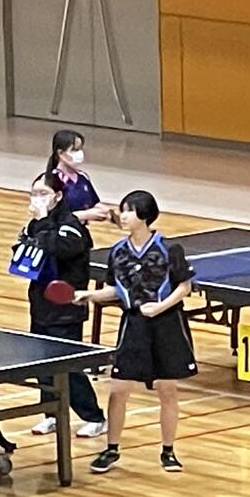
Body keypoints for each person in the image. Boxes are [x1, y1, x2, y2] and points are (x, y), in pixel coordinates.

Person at [74, 190, 197, 473]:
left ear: (144, 215)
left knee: (167, 390)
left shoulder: (169, 249)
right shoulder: (118, 251)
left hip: (167, 324)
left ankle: (168, 451)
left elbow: (184, 287)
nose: (123, 216)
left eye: (129, 210)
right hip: (134, 324)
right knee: (118, 390)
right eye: (123, 210)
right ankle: (111, 449)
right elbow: (116, 289)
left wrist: (159, 307)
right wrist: (89, 295)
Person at [16, 171, 107, 438]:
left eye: (43, 193)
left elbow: (57, 247)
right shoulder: (35, 225)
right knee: (43, 365)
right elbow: (25, 249)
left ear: (57, 196)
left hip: (66, 307)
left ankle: (94, 417)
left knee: (68, 367)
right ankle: (51, 413)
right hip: (40, 304)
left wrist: (42, 221)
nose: (37, 198)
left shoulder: (71, 226)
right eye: (34, 193)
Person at [47, 129, 117, 225]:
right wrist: (85, 215)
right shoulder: (52, 180)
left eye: (80, 149)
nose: (79, 153)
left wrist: (107, 211)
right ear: (61, 153)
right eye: (74, 150)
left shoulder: (82, 177)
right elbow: (53, 216)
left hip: (79, 229)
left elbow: (93, 203)